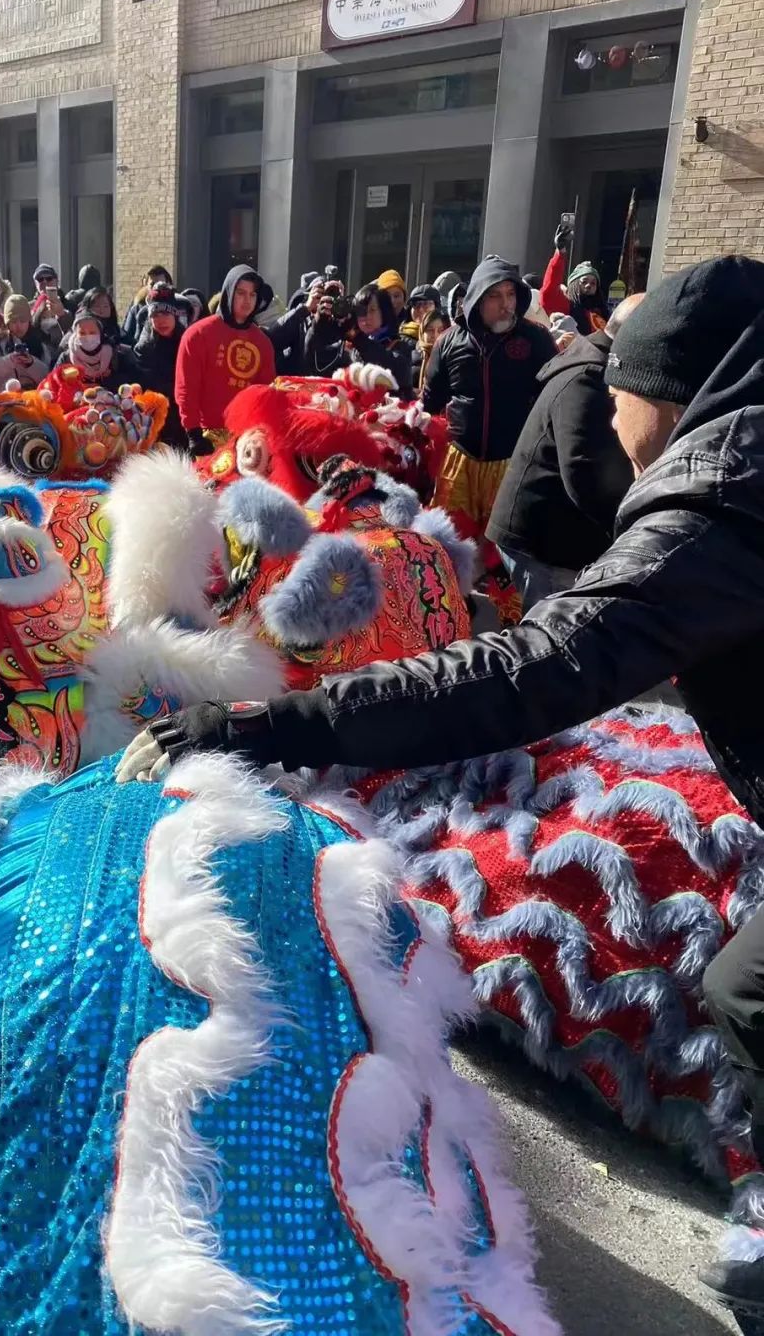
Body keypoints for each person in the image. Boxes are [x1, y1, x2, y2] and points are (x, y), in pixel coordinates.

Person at [115, 264, 764, 1329]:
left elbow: (532, 667)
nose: (605, 407)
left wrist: (271, 726)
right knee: (744, 981)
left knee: (746, 984)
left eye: (621, 387)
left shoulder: (724, 497)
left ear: (678, 394)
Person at [486, 296, 641, 611]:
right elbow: (584, 471)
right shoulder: (588, 377)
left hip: (555, 533)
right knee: (550, 637)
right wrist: (630, 530)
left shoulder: (601, 365)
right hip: (544, 541)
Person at [423, 257, 557, 536]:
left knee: (502, 554)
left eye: (511, 294)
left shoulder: (537, 339)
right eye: (495, 295)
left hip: (513, 464)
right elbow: (430, 403)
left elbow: (554, 399)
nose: (506, 304)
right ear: (477, 299)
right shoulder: (448, 341)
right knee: (450, 544)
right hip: (458, 464)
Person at [174, 263, 276, 454]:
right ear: (228, 293)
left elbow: (266, 393)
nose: (247, 300)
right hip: (206, 436)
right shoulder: (198, 334)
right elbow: (186, 388)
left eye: (252, 295)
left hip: (248, 440)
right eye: (240, 293)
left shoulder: (262, 342)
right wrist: (193, 433)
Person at [304, 281, 416, 395]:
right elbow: (312, 360)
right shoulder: (349, 346)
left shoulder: (399, 346)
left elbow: (396, 371)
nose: (366, 317)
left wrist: (357, 337)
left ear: (384, 312)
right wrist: (318, 325)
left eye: (372, 310)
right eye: (361, 311)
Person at [133, 281, 185, 446]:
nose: (161, 320)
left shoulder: (187, 342)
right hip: (153, 419)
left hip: (182, 416)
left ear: (175, 315)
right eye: (155, 315)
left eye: (166, 314)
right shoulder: (143, 348)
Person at [540, 224, 608, 333]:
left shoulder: (603, 312)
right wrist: (560, 253)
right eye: (584, 281)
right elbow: (548, 292)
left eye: (593, 283)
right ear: (574, 285)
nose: (589, 285)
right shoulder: (568, 307)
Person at [0, 294, 50, 391]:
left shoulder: (38, 343)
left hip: (32, 399)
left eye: (22, 320)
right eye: (14, 321)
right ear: (7, 323)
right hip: (5, 400)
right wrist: (9, 361)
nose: (18, 326)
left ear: (29, 321)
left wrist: (31, 363)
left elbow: (47, 376)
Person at [121, 264, 173, 344]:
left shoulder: (178, 307)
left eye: (160, 283)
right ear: (146, 286)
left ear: (168, 284)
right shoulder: (137, 308)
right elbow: (127, 337)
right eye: (152, 284)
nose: (156, 287)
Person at [30, 263, 71, 332]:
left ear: (57, 281)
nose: (45, 282)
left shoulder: (69, 305)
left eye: (49, 278)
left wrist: (62, 314)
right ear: (35, 283)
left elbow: (73, 330)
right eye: (40, 279)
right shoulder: (30, 307)